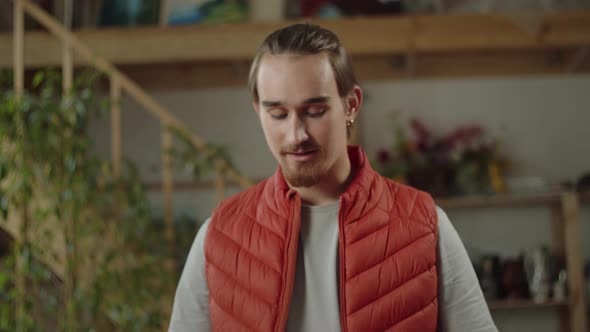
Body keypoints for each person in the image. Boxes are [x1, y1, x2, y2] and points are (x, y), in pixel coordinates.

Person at [169, 23, 497, 332]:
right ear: (258, 111)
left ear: (351, 104)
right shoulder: (219, 234)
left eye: (315, 111)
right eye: (278, 114)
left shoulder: (425, 224)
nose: (296, 134)